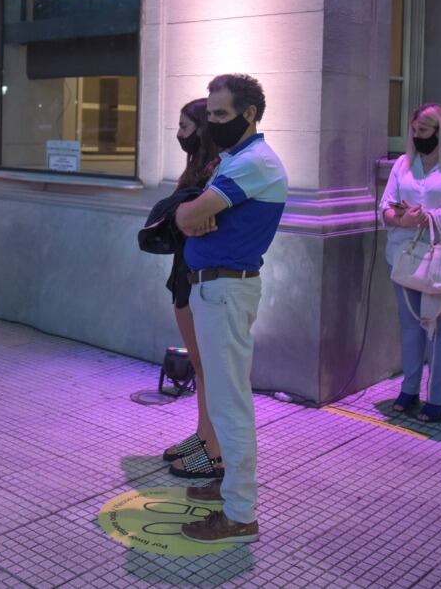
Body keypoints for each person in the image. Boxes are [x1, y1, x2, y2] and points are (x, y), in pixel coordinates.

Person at [172, 74, 287, 545]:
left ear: (250, 114)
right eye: (211, 114)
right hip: (214, 289)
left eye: (220, 114)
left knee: (230, 403)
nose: (211, 123)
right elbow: (198, 216)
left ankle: (240, 512)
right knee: (222, 399)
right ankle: (230, 489)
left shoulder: (254, 163)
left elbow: (189, 216)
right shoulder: (235, 160)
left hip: (225, 291)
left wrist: (189, 215)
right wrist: (196, 215)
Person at [382, 103, 441, 413]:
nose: (417, 135)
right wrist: (399, 218)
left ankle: (436, 398)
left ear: (440, 132)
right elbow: (386, 204)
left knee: (439, 327)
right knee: (409, 325)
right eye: (414, 130)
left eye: (424, 131)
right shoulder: (403, 165)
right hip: (404, 254)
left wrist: (428, 218)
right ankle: (409, 389)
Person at [158, 99, 224, 480]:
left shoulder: (218, 171)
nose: (180, 134)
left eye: (185, 126)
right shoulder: (200, 168)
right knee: (201, 366)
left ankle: (214, 450)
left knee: (209, 367)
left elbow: (198, 222)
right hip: (184, 270)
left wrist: (183, 218)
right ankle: (203, 437)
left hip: (200, 275)